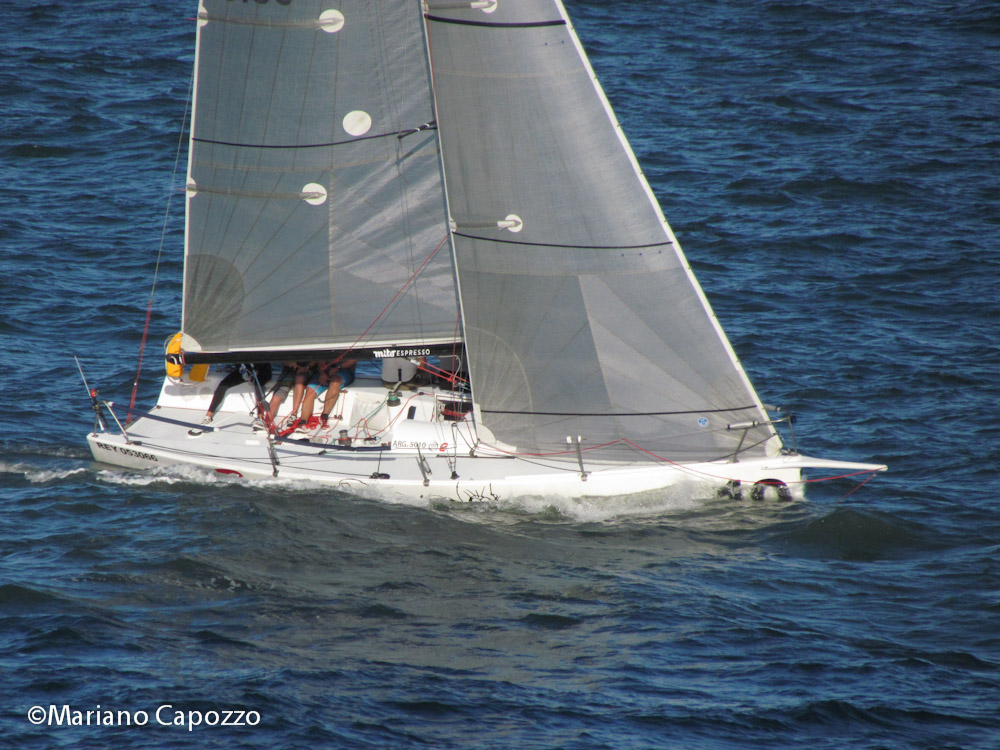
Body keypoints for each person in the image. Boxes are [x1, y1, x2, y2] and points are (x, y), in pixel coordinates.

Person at [188, 362, 271, 435]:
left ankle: (260, 419)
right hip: (245, 370)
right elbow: (234, 358)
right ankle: (208, 417)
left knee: (258, 386)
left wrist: (255, 371)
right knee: (223, 385)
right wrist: (242, 370)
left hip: (262, 370)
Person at [290, 358, 357, 432]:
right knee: (310, 389)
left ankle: (324, 417)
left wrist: (338, 367)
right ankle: (303, 422)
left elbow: (353, 360)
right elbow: (321, 358)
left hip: (344, 371)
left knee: (335, 382)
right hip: (324, 371)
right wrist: (322, 373)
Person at [267, 361, 313, 426]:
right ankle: (267, 421)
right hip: (289, 371)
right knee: (279, 394)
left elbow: (315, 361)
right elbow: (282, 359)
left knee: (299, 381)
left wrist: (306, 367)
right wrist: (289, 363)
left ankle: (294, 414)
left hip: (307, 370)